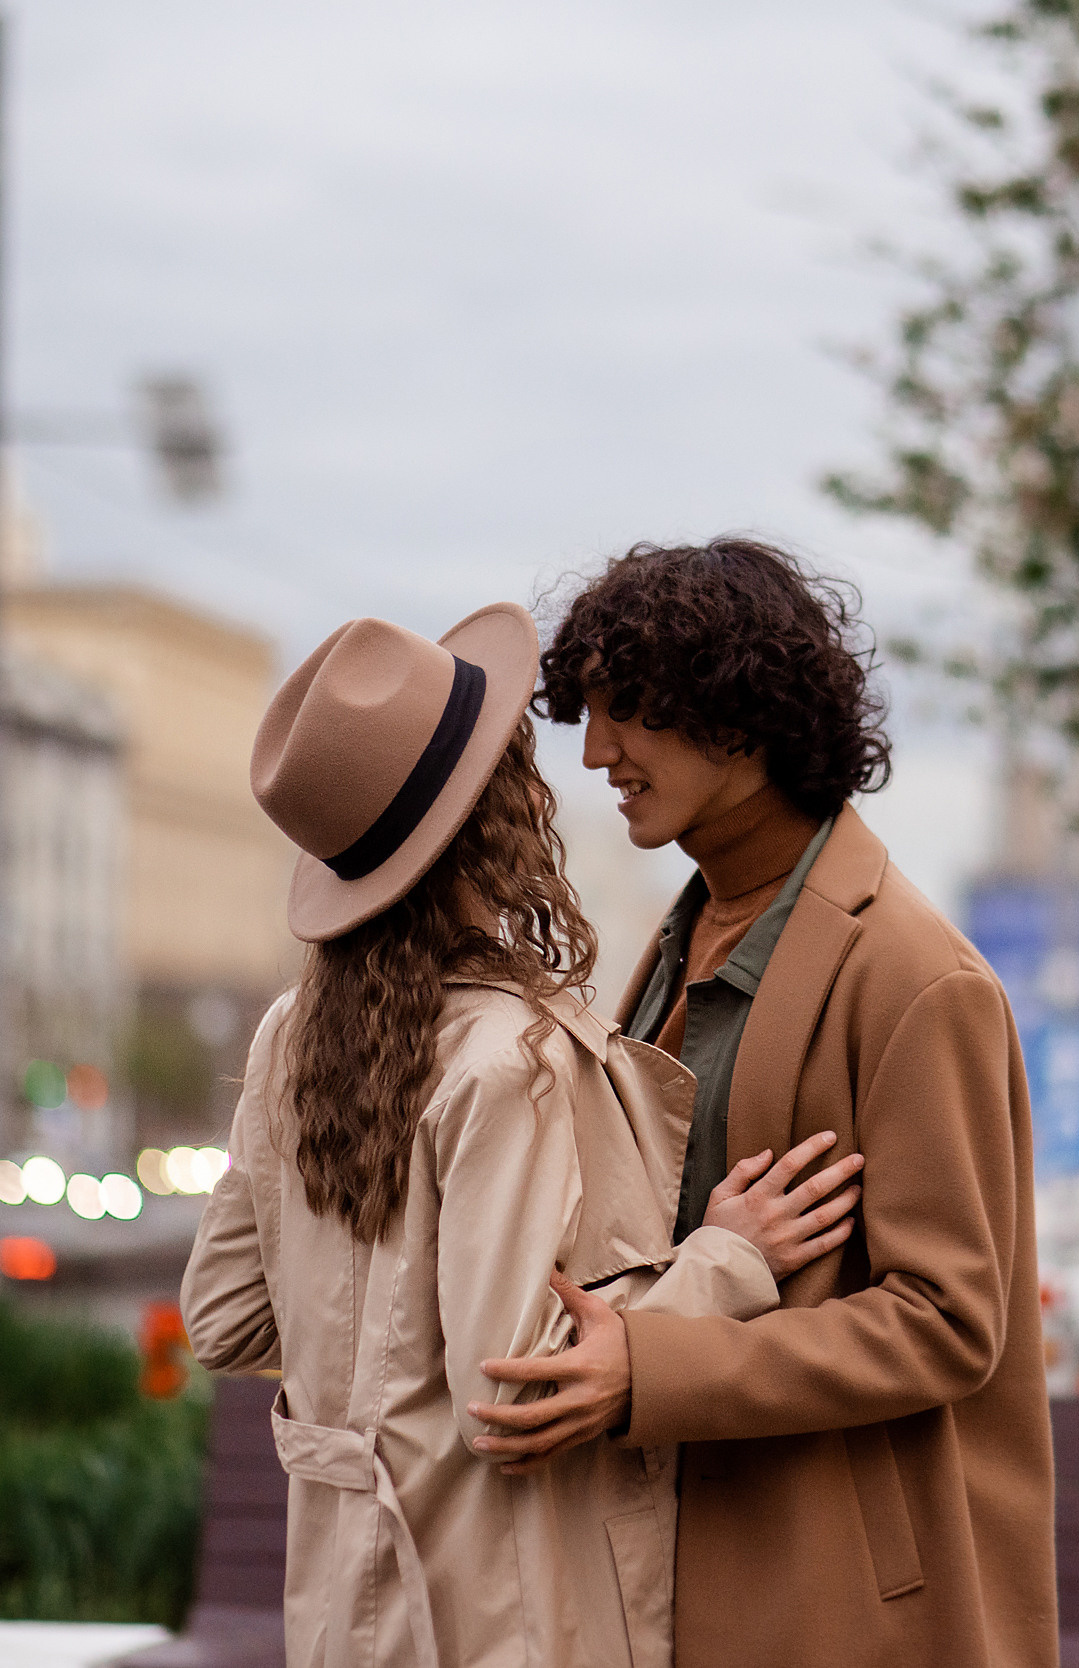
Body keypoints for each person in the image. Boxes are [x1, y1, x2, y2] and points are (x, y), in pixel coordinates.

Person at [180, 603, 862, 1668]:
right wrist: (729, 1259)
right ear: (496, 813)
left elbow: (223, 1319)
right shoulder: (511, 1060)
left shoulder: (290, 1038)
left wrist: (377, 1377)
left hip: (340, 1615)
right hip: (508, 1619)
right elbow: (512, 1389)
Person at [470, 540, 1061, 1667]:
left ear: (740, 717)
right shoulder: (683, 931)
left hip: (832, 1587)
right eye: (587, 717)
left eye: (628, 713)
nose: (596, 753)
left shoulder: (917, 977)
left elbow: (949, 1324)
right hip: (667, 1551)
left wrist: (649, 1367)